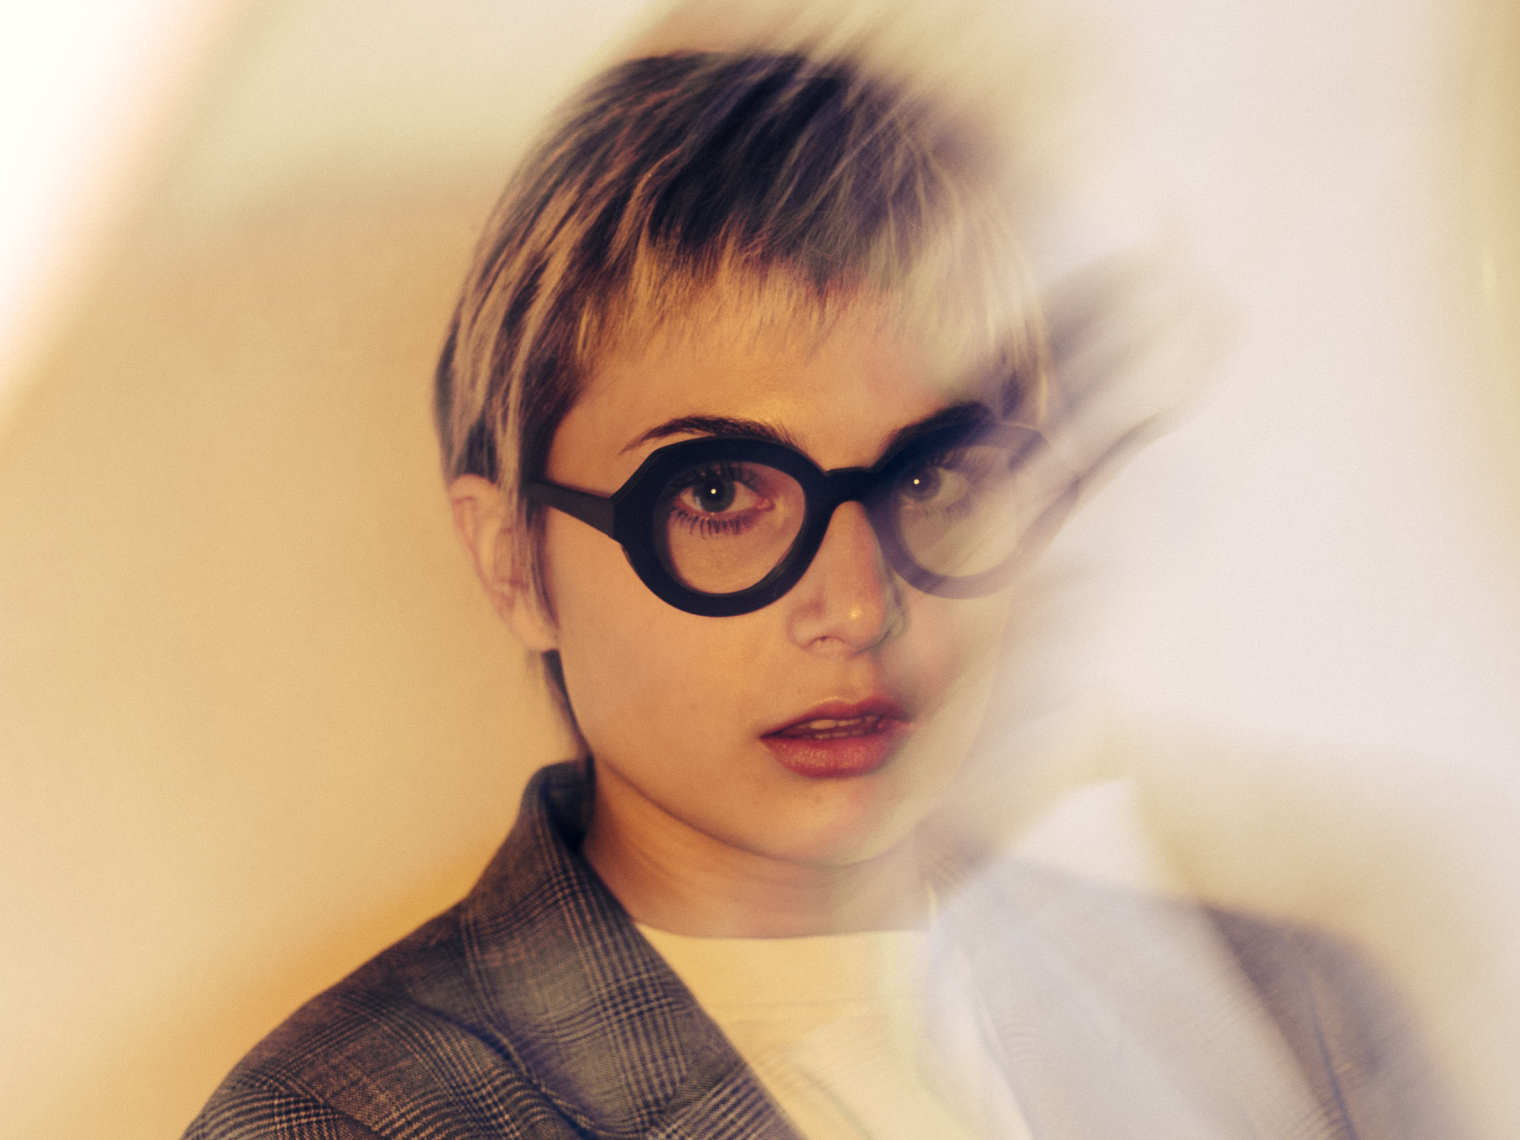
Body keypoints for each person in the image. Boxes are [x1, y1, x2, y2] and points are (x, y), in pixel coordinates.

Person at [185, 41, 1458, 1140]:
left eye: (929, 478)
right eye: (718, 495)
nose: (857, 607)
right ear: (514, 559)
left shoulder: (1301, 1013)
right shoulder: (344, 1119)